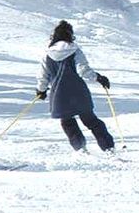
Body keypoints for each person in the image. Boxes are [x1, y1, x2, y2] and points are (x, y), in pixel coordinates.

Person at [34, 20, 116, 152]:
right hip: (78, 92)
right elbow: (83, 70)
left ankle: (81, 149)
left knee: (67, 122)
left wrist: (41, 90)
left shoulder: (47, 54)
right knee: (91, 120)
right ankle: (108, 147)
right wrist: (98, 78)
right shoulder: (74, 50)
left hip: (59, 95)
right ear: (70, 34)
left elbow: (43, 76)